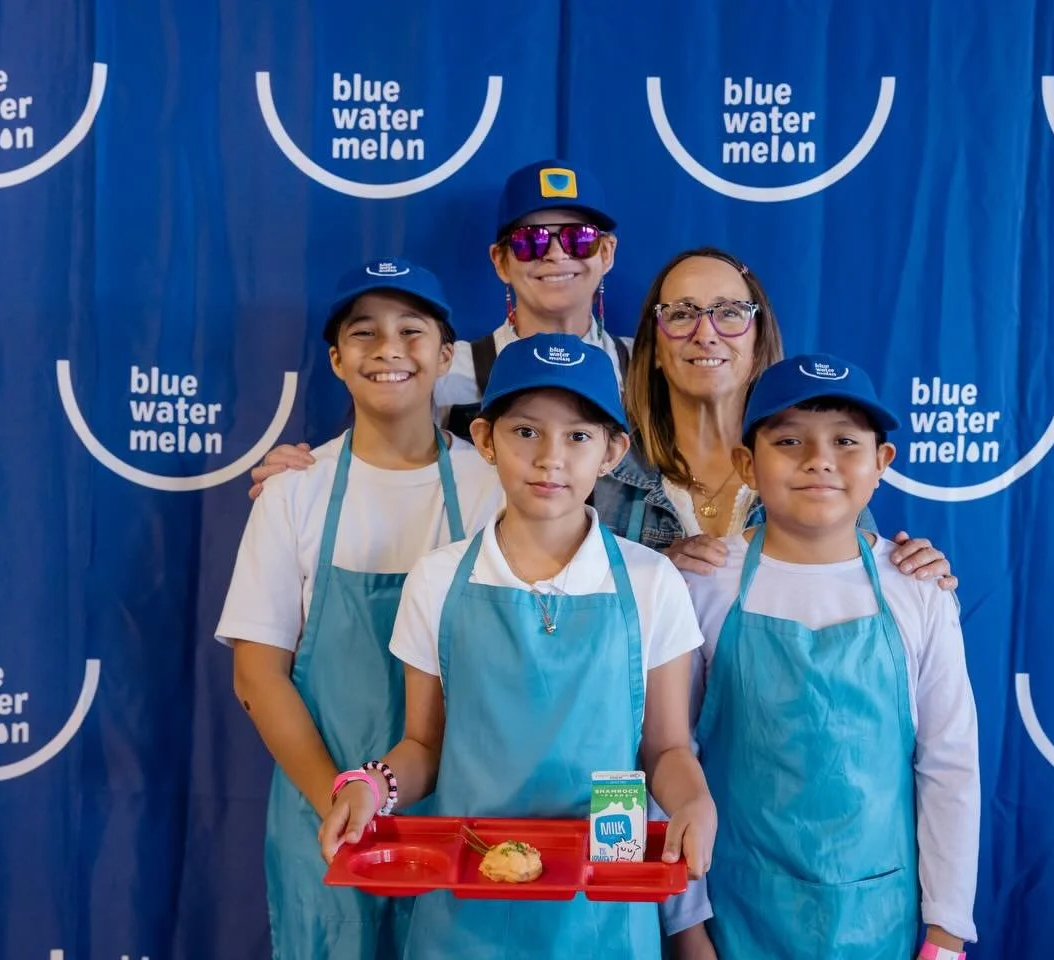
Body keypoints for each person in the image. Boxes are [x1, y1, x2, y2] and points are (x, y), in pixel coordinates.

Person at [319, 333, 717, 960]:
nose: (549, 458)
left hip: (603, 913)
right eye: (525, 431)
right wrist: (374, 785)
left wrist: (694, 800)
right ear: (485, 440)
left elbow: (666, 747)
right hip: (465, 915)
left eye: (579, 436)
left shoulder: (651, 582)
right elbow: (424, 746)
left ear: (613, 451)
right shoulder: (439, 578)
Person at [215, 258, 504, 959]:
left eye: (412, 330)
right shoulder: (294, 492)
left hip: (467, 814)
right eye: (364, 333)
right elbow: (258, 676)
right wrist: (341, 801)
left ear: (445, 356)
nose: (388, 349)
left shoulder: (497, 488)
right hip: (327, 816)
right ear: (337, 360)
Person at [668, 354, 979, 960]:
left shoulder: (917, 589)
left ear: (882, 462)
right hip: (733, 909)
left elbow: (950, 766)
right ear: (746, 464)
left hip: (877, 916)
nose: (819, 460)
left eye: (845, 440)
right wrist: (684, 922)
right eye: (788, 440)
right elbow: (669, 757)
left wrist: (945, 929)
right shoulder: (703, 584)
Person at [247, 158, 629, 497]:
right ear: (500, 261)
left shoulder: (648, 368)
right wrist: (301, 477)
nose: (556, 254)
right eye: (531, 241)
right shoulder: (441, 370)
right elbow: (374, 467)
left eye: (581, 240)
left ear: (607, 253)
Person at [593, 247, 957, 586]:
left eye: (729, 312)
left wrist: (916, 579)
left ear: (758, 341)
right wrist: (650, 578)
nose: (705, 333)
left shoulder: (813, 468)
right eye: (682, 314)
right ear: (654, 348)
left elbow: (862, 604)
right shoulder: (601, 468)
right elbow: (556, 612)